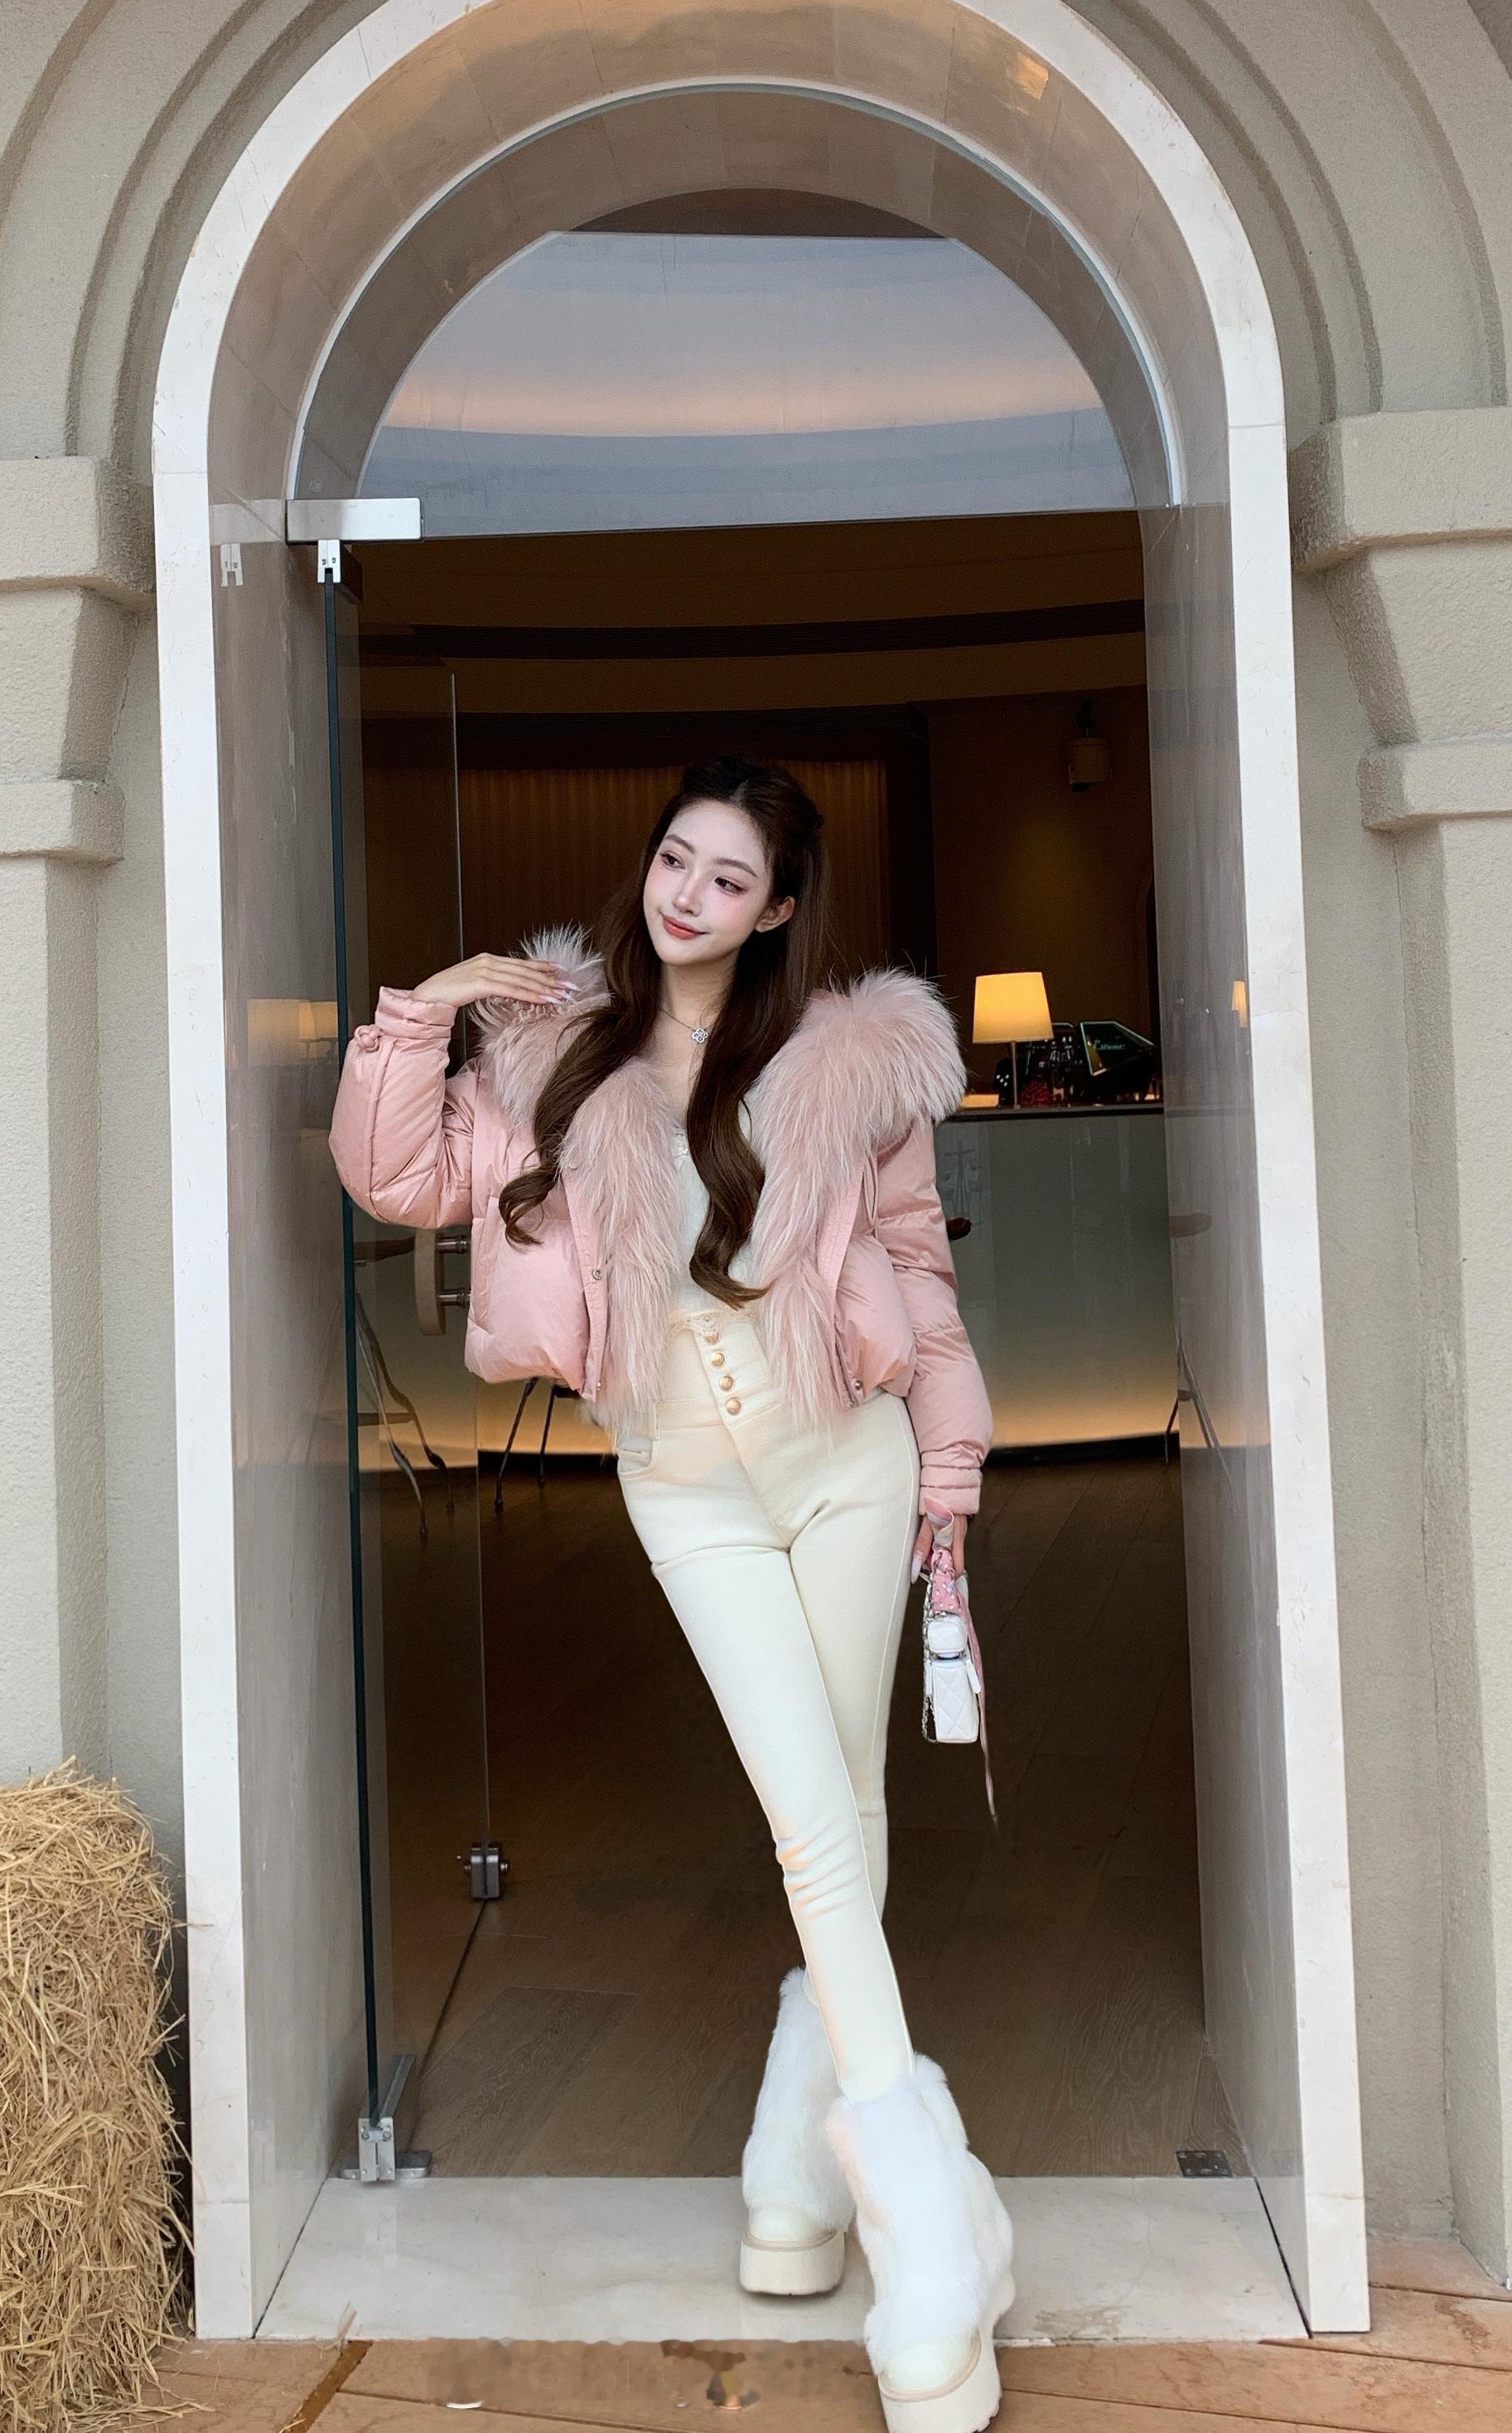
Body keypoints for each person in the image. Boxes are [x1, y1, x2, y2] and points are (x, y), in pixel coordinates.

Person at [330, 754, 1012, 2433]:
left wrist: (945, 1467)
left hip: (843, 1458)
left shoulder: (845, 1062)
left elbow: (915, 1270)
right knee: (808, 1815)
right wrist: (422, 1016)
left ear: (776, 908)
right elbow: (390, 1176)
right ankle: (930, 2217)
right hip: (682, 1485)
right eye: (673, 858)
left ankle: (796, 2178)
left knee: (842, 1801)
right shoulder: (549, 1053)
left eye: (727, 876)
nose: (686, 894)